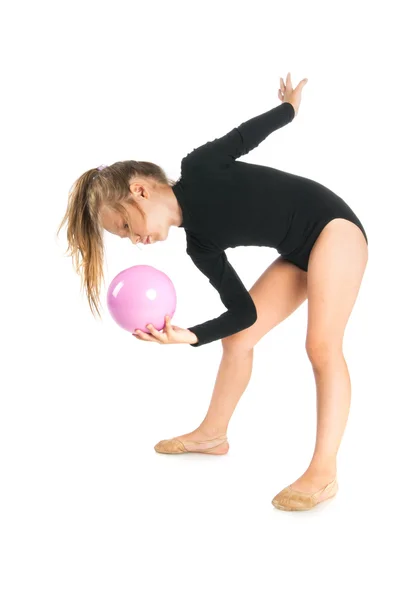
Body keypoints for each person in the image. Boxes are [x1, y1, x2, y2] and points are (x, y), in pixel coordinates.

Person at [57, 73, 369, 511]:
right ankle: (212, 434)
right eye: (124, 237)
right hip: (298, 251)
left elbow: (247, 135)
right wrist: (191, 335)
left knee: (321, 346)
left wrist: (289, 108)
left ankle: (324, 471)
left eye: (126, 226)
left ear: (140, 189)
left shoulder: (199, 166)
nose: (134, 240)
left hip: (335, 229)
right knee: (238, 338)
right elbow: (243, 312)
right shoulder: (199, 244)